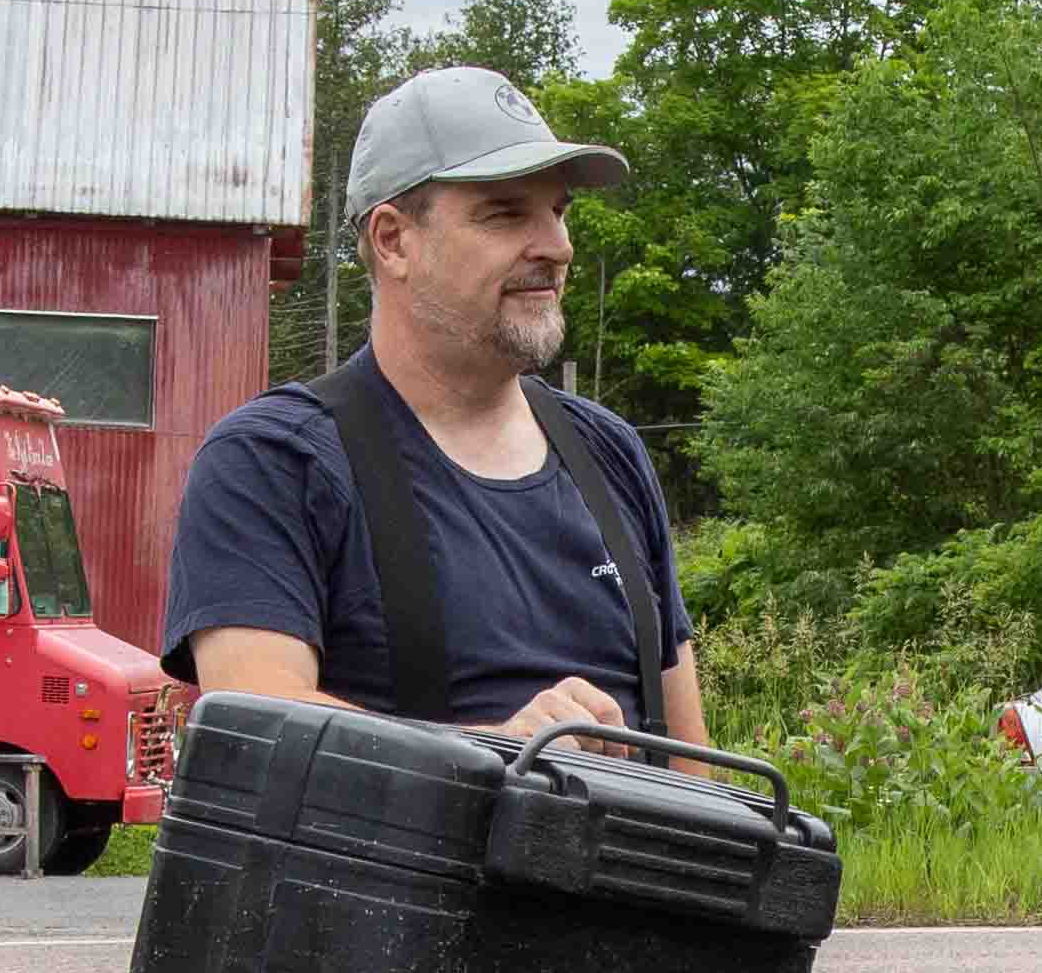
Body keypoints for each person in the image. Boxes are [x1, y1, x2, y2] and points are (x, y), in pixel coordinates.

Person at [166, 62, 710, 745]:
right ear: (394, 240)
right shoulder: (274, 461)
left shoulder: (609, 454)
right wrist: (501, 758)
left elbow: (692, 764)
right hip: (395, 858)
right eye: (506, 213)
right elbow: (257, 733)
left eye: (558, 212)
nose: (558, 246)